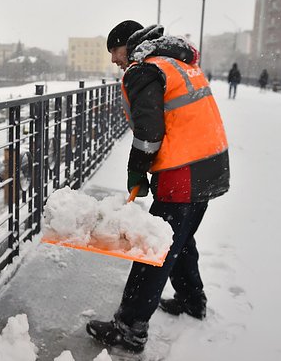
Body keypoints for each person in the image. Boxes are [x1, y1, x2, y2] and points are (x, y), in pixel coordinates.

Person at [86, 20, 230, 353]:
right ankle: (193, 299)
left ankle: (130, 328)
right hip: (211, 163)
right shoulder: (177, 62)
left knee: (155, 248)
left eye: (114, 52)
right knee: (178, 236)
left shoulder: (144, 70)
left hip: (183, 172)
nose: (114, 61)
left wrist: (136, 172)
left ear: (127, 45)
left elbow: (149, 135)